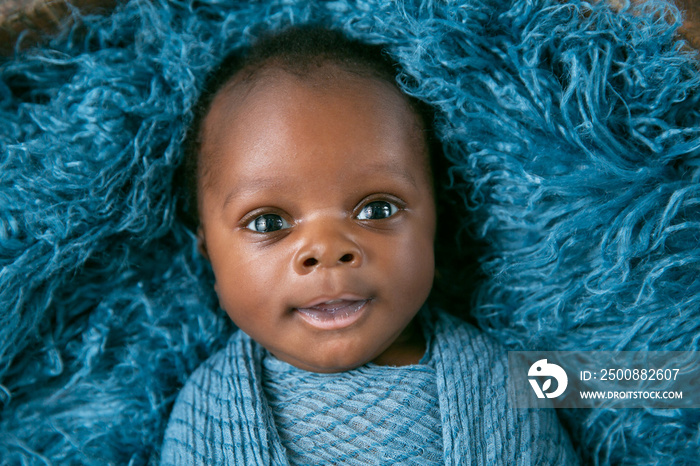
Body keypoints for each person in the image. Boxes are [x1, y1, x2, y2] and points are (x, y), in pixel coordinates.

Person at [161, 25, 578, 465]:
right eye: (269, 222)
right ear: (207, 252)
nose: (326, 249)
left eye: (376, 210)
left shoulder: (499, 385)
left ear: (436, 219)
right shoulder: (205, 412)